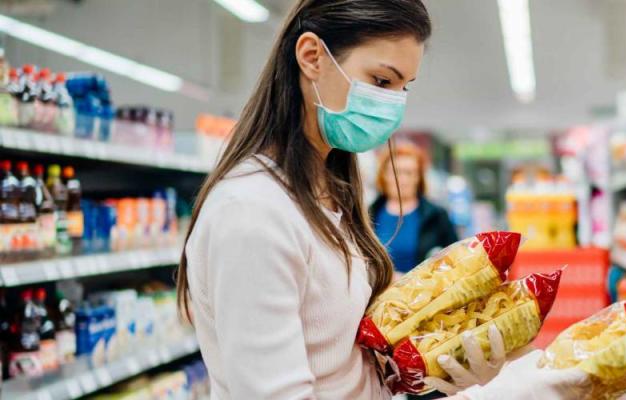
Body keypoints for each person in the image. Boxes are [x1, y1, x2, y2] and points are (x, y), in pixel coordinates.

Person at [175, 1, 588, 399]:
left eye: (403, 87)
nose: (392, 105)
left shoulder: (332, 195)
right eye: (381, 81)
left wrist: (431, 370)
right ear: (311, 56)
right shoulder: (252, 213)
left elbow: (343, 366)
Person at [371, 143, 458, 275]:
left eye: (409, 173)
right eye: (396, 172)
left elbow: (456, 262)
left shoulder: (437, 216)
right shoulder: (367, 214)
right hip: (377, 293)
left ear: (418, 177)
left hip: (425, 294)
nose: (403, 179)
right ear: (383, 175)